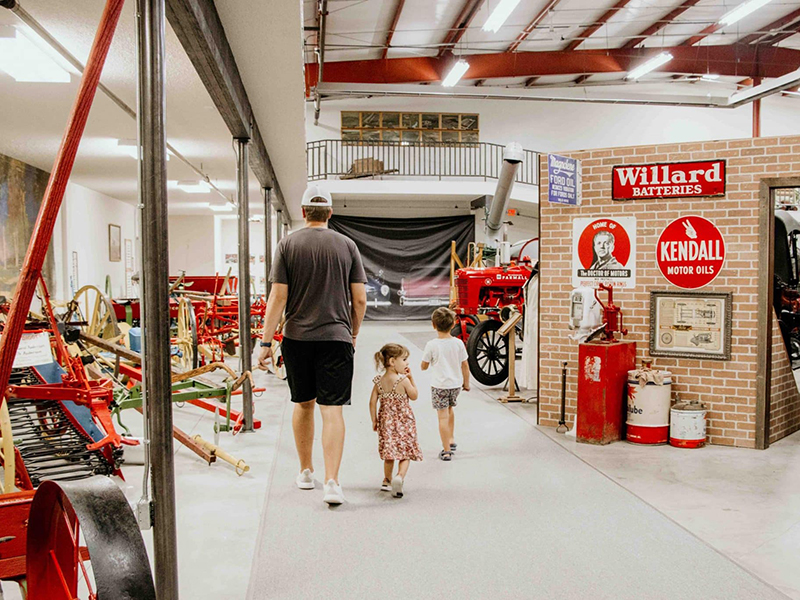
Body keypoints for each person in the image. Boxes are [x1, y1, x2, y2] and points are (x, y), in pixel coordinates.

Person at [258, 183, 367, 506]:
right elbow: (360, 300)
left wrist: (265, 342)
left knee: (303, 404)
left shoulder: (287, 245)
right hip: (336, 338)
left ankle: (306, 472)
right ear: (330, 213)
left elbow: (278, 297)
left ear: (303, 212)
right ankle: (332, 482)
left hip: (297, 339)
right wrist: (352, 332)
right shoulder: (348, 246)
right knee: (332, 410)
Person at [369, 344, 423, 498]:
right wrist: (411, 379)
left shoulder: (379, 381)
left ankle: (387, 480)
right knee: (405, 453)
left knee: (389, 453)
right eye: (404, 359)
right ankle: (399, 476)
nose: (407, 363)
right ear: (392, 361)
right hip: (404, 422)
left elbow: (372, 402)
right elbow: (414, 396)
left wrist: (374, 420)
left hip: (386, 423)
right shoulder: (403, 380)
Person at [420, 307, 469, 461]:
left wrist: (426, 364)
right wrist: (466, 383)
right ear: (453, 324)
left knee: (442, 417)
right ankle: (451, 438)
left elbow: (424, 365)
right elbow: (465, 365)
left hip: (439, 386)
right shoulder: (458, 343)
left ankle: (446, 450)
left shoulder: (432, 345)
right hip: (455, 385)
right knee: (450, 409)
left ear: (433, 325)